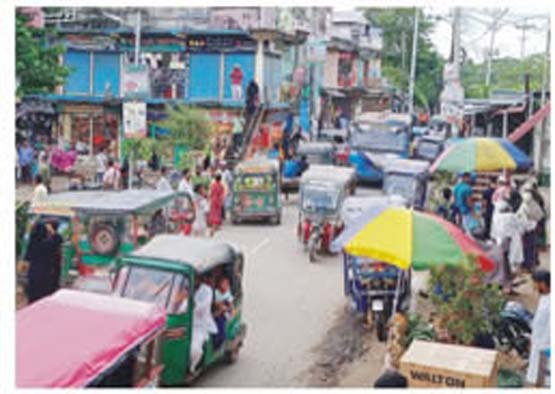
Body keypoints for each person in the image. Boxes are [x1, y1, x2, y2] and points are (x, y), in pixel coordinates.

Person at [25, 221, 63, 304]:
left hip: (33, 275)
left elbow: (27, 259)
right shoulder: (49, 245)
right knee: (43, 300)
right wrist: (52, 231)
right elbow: (59, 239)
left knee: (32, 300)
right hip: (46, 276)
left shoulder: (32, 244)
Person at [189, 275, 218, 374]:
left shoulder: (207, 291)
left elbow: (200, 308)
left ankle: (192, 367)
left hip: (199, 325)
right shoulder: (183, 286)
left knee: (195, 349)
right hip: (182, 322)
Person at [526, 270, 550, 386]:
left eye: (534, 283)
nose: (533, 286)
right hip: (539, 342)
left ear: (542, 283)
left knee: (543, 376)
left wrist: (543, 346)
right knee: (538, 374)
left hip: (545, 346)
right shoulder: (545, 297)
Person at [516, 187, 544, 272]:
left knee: (530, 249)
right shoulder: (528, 205)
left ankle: (530, 266)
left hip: (530, 230)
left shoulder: (529, 205)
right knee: (528, 248)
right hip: (528, 229)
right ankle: (528, 265)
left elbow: (539, 216)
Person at [213, 277, 234, 349]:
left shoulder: (228, 294)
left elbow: (231, 306)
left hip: (222, 315)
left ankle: (218, 344)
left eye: (226, 284)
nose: (224, 286)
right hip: (214, 312)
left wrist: (225, 309)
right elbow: (214, 302)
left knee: (221, 329)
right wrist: (219, 305)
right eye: (223, 283)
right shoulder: (216, 292)